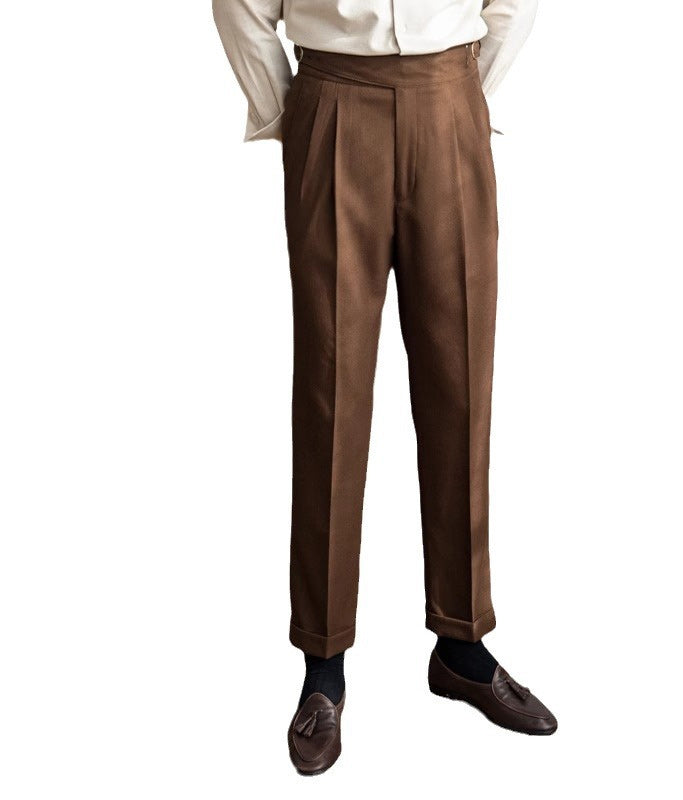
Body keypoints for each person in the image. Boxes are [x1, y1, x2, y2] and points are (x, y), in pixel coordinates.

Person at [212, 0, 557, 775]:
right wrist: (287, 111)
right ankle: (323, 664)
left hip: (449, 99)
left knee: (461, 382)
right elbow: (240, 5)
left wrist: (460, 92)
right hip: (334, 99)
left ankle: (462, 645)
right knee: (331, 388)